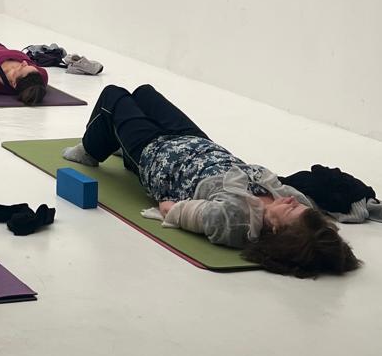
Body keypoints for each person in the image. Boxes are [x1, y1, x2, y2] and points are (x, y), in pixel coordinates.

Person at [64, 83, 360, 277]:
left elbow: (182, 212)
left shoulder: (234, 220)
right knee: (144, 93)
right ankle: (119, 147)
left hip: (160, 157)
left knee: (113, 96)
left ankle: (91, 151)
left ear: (277, 229)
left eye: (293, 211)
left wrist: (167, 205)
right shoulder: (286, 200)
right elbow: (317, 212)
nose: (294, 201)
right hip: (197, 142)